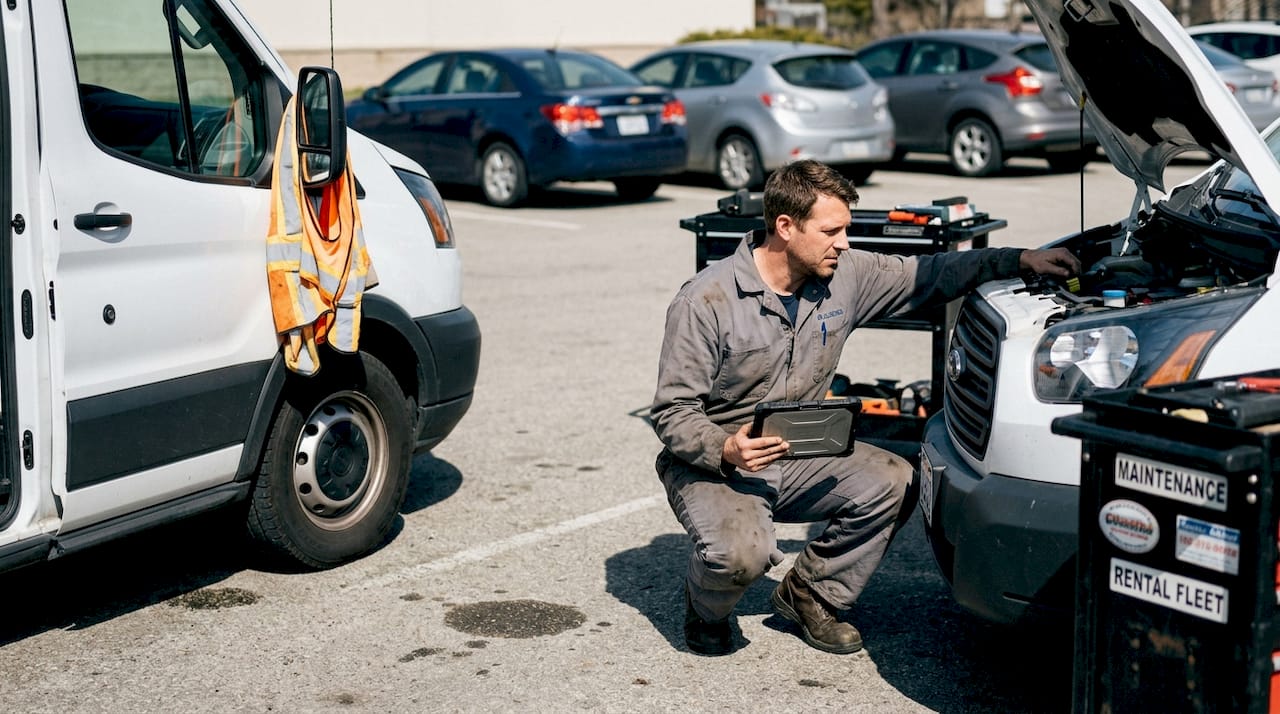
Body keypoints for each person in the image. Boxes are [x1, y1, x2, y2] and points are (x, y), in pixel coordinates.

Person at [650, 159, 1080, 656]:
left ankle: (811, 593)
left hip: (798, 451)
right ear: (786, 228)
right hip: (717, 466)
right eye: (831, 231)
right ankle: (705, 607)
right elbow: (672, 411)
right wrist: (726, 447)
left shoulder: (845, 275)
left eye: (846, 230)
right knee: (739, 556)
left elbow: (932, 273)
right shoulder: (706, 301)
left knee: (897, 480)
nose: (845, 243)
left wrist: (1021, 259)